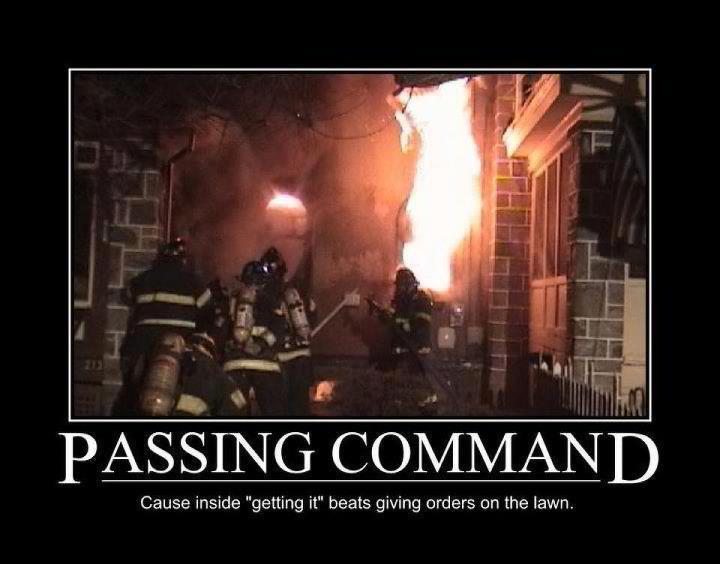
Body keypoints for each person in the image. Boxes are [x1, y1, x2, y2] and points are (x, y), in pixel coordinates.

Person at [114, 238, 212, 416]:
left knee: (132, 395)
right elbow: (208, 312)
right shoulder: (194, 283)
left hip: (143, 348)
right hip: (178, 348)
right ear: (183, 259)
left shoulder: (143, 279)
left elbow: (126, 296)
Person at [223, 260, 287, 415]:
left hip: (235, 365)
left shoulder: (232, 300)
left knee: (236, 413)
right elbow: (279, 328)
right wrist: (260, 345)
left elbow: (222, 329)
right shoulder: (271, 301)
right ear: (264, 282)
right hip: (266, 365)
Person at [260, 247, 316, 416]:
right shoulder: (298, 293)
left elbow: (268, 328)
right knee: (300, 409)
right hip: (303, 359)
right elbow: (312, 318)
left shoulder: (266, 295)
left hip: (281, 361)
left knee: (280, 410)